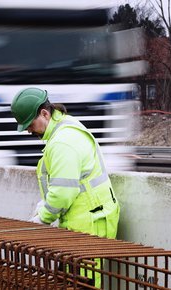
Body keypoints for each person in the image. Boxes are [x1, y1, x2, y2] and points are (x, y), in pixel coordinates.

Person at [11, 87, 120, 286]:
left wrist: (41, 217)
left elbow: (63, 193)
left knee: (84, 282)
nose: (28, 130)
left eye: (30, 124)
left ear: (45, 113)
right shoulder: (64, 129)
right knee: (74, 279)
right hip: (88, 217)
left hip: (89, 222)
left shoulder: (63, 141)